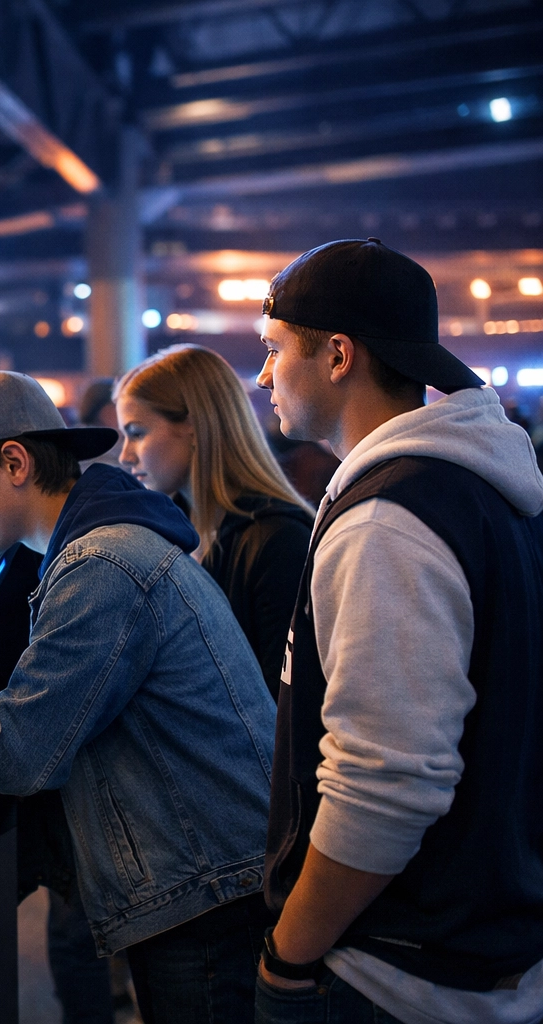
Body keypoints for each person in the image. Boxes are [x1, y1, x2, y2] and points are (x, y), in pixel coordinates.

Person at [0, 371, 278, 1022]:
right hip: (212, 882)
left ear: (15, 463)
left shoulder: (99, 566)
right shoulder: (101, 548)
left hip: (211, 896)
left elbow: (19, 751)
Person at [254, 238, 543, 1022]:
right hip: (471, 945)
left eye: (275, 349)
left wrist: (288, 953)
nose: (264, 376)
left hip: (394, 971)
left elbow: (383, 790)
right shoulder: (474, 488)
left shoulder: (388, 521)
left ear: (338, 355)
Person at [116, 345, 313, 696]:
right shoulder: (162, 536)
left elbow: (281, 702)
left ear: (193, 426)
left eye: (137, 433)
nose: (125, 456)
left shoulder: (279, 540)